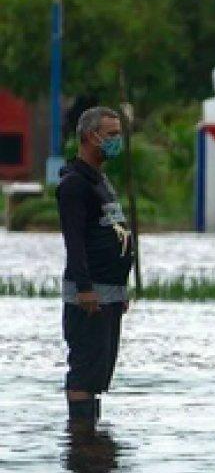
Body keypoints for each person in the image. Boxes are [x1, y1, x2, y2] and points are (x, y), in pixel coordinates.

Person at [56, 106, 134, 425]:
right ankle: (81, 443)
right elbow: (74, 242)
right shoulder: (74, 184)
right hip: (89, 294)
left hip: (110, 292)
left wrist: (120, 288)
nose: (117, 141)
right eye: (111, 135)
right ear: (91, 136)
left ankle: (96, 446)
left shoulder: (100, 180)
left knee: (100, 372)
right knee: (85, 370)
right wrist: (85, 288)